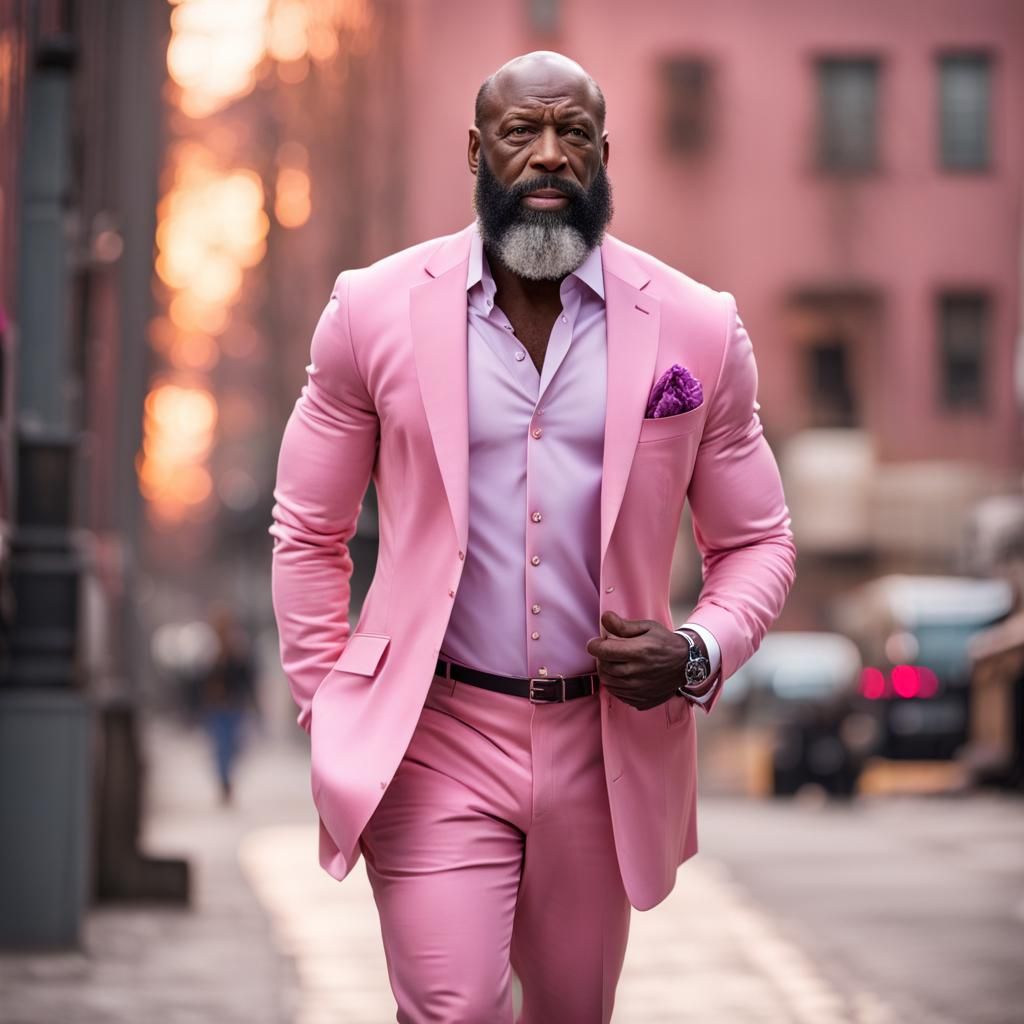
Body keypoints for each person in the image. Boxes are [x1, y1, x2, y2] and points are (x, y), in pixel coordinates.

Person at [269, 50, 796, 1023]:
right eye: (522, 133)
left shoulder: (695, 327)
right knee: (453, 1007)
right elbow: (308, 530)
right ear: (477, 150)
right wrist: (329, 703)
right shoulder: (370, 310)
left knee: (568, 1011)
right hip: (433, 736)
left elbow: (757, 541)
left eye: (575, 135)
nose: (549, 156)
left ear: (604, 158)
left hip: (605, 747)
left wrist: (693, 649)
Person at [198, 602, 256, 804]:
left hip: (233, 705)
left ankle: (227, 778)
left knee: (233, 747)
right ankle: (223, 782)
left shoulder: (238, 649)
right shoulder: (209, 649)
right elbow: (198, 681)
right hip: (216, 707)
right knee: (220, 748)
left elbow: (247, 676)